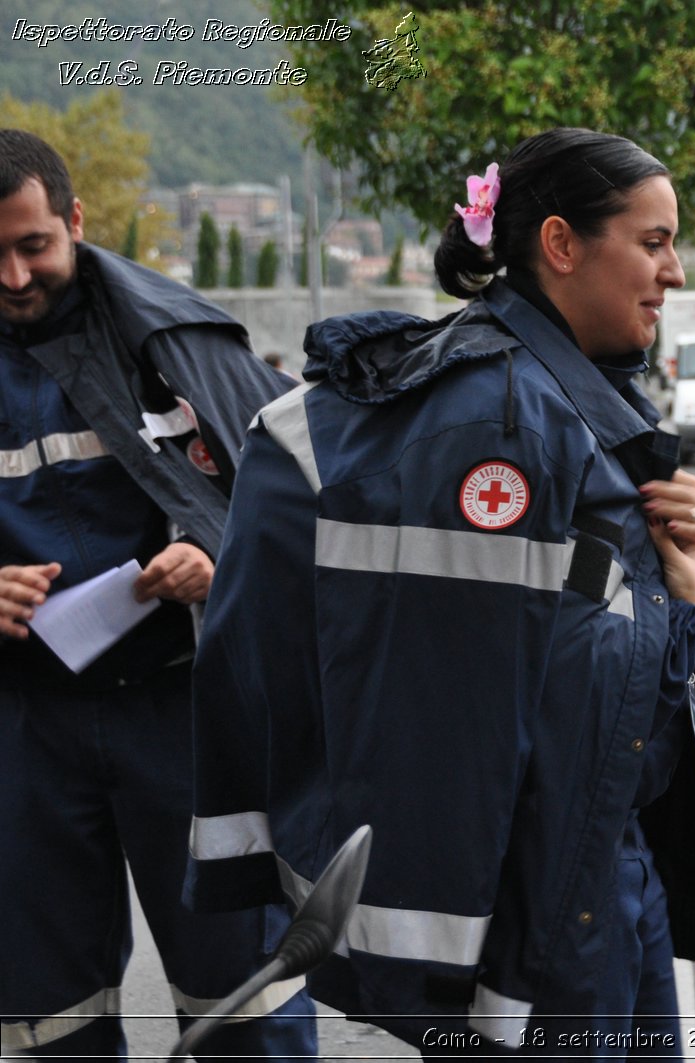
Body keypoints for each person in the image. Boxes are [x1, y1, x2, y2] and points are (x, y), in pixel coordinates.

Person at [184, 128, 695, 1057]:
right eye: (653, 241)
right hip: (562, 893)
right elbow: (591, 709)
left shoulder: (498, 391)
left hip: (518, 883)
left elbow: (256, 647)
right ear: (561, 246)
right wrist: (687, 614)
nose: (675, 272)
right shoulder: (518, 420)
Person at [0, 130, 316, 1059]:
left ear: (75, 221)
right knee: (46, 1005)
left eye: (33, 246)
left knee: (240, 995)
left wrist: (214, 555)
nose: (15, 277)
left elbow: (287, 492)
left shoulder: (172, 338)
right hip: (23, 728)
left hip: (184, 710)